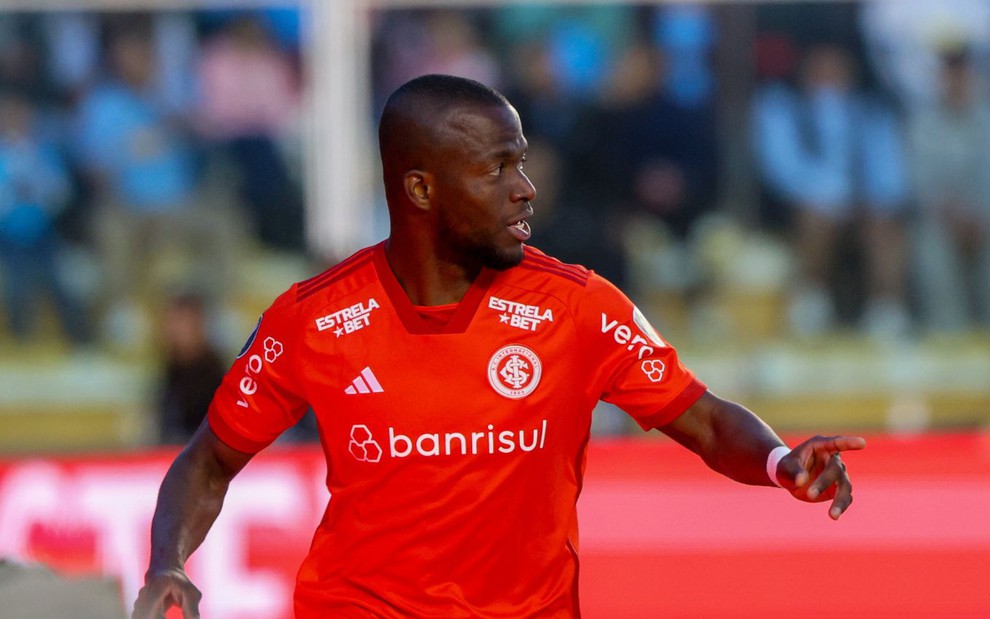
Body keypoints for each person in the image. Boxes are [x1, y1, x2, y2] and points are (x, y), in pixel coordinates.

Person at [132, 74, 866, 619]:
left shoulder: (576, 306)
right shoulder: (314, 318)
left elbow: (702, 418)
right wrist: (167, 561)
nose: (526, 189)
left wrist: (778, 462)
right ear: (421, 190)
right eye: (496, 168)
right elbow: (210, 459)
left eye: (521, 162)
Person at [753, 42, 910, 338]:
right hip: (803, 206)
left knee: (885, 223)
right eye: (821, 70)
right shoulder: (782, 107)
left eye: (837, 70)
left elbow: (888, 170)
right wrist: (832, 197)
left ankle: (886, 310)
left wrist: (872, 200)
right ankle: (810, 304)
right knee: (816, 216)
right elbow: (783, 169)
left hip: (861, 205)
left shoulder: (869, 112)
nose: (830, 78)